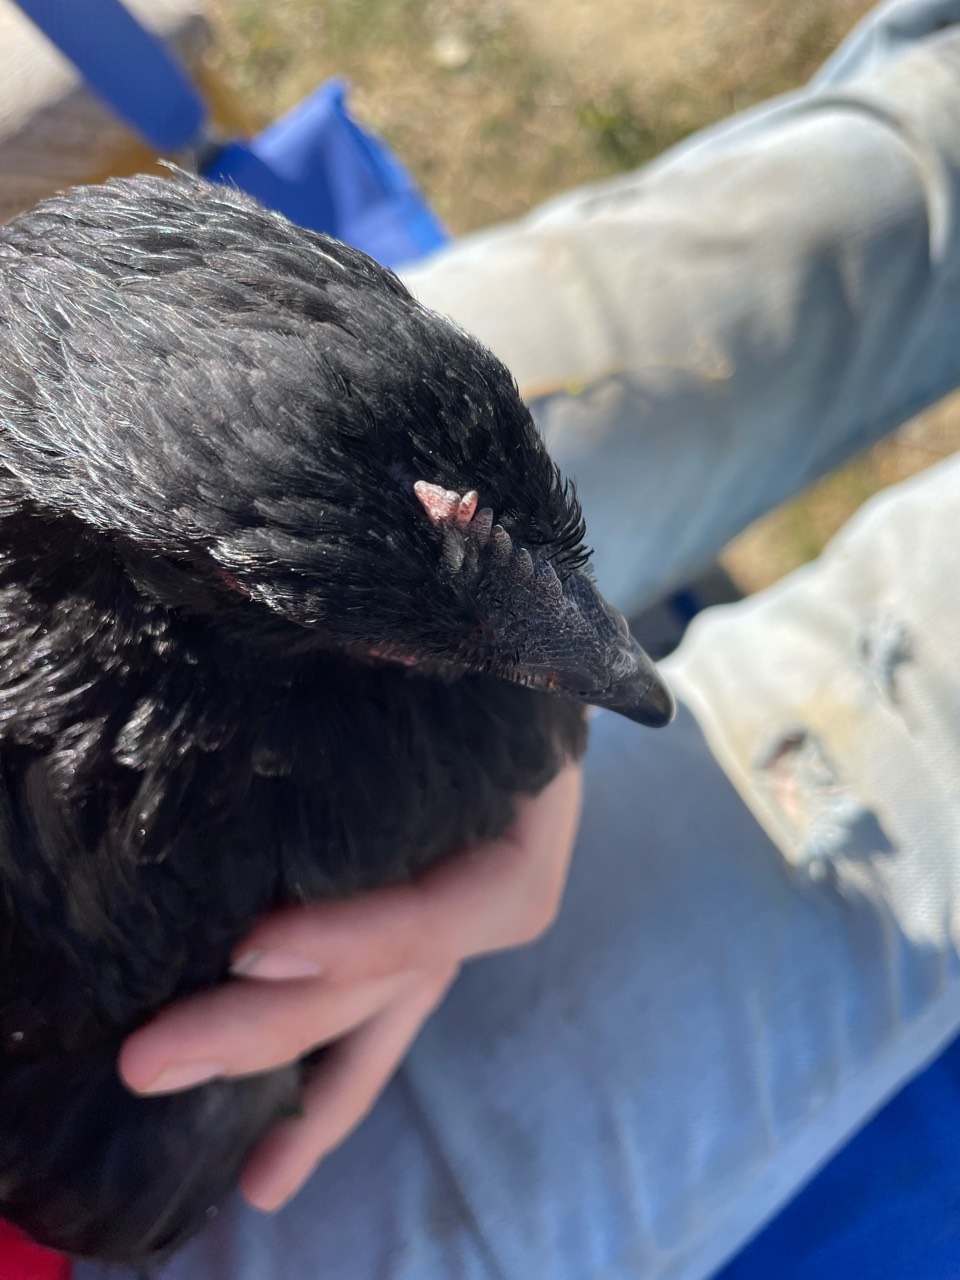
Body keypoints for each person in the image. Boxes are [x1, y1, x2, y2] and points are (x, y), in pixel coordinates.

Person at [79, 0, 960, 1275]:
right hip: (187, 1204)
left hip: (133, 519)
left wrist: (483, 724)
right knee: (916, 710)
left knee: (831, 234)